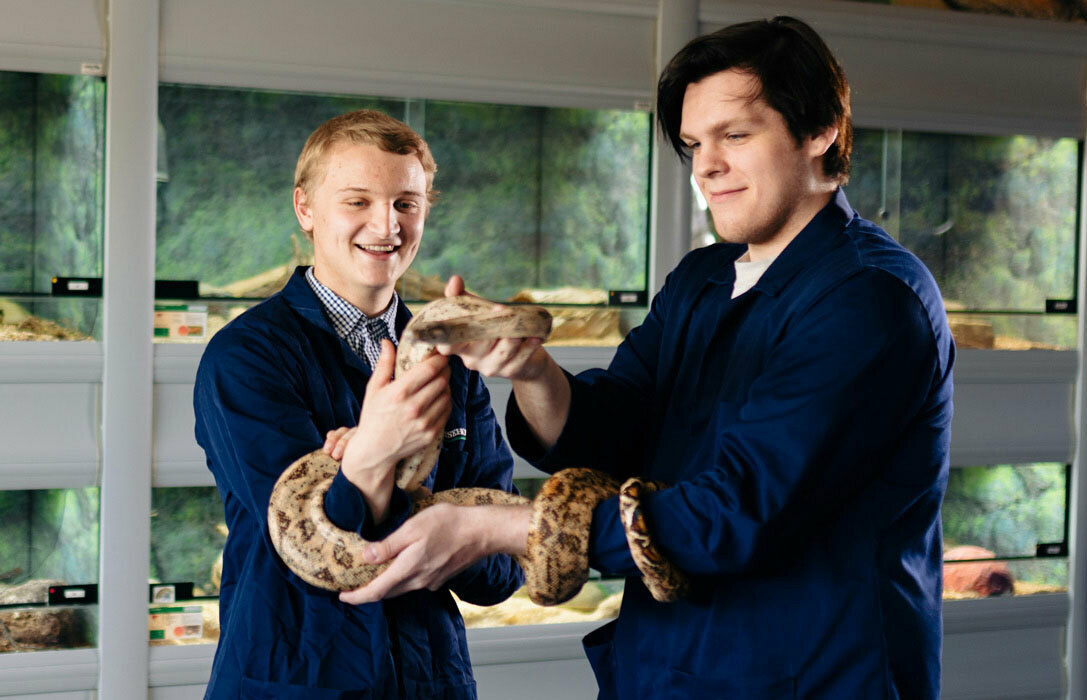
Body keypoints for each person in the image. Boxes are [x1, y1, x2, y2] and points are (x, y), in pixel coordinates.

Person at [340, 16, 954, 699]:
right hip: (671, 667)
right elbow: (614, 430)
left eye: (735, 135)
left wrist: (495, 528)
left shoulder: (868, 298)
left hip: (808, 677)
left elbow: (735, 512)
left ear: (820, 132)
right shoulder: (702, 278)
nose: (706, 167)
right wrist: (531, 370)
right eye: (694, 144)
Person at [193, 109, 524, 699]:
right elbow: (311, 549)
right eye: (357, 201)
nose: (386, 224)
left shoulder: (452, 361)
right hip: (295, 681)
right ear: (305, 208)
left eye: (406, 203)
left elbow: (503, 573)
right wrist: (413, 484)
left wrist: (363, 472)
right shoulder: (245, 358)